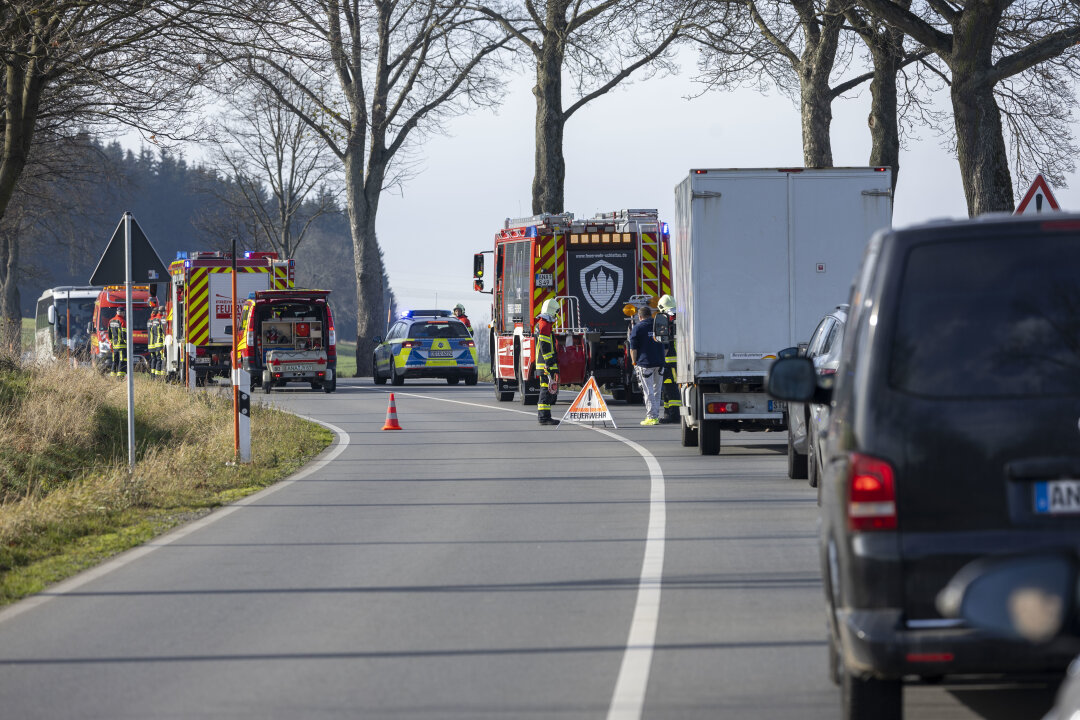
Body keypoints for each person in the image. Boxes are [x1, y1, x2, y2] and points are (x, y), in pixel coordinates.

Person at [629, 305, 665, 425]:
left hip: (645, 363)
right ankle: (656, 415)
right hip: (659, 363)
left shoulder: (638, 328)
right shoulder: (658, 325)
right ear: (650, 315)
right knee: (657, 389)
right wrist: (661, 357)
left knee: (647, 390)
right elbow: (666, 346)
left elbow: (633, 348)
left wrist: (634, 362)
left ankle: (651, 417)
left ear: (639, 316)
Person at [656, 294, 681, 424]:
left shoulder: (666, 319)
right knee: (667, 388)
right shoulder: (682, 317)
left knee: (671, 388)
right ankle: (668, 413)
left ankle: (674, 414)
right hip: (680, 359)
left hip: (670, 361)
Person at [535, 298, 560, 426]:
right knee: (546, 389)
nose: (557, 315)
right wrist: (550, 363)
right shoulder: (544, 325)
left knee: (547, 389)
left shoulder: (543, 323)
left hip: (545, 362)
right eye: (556, 312)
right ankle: (544, 417)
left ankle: (546, 416)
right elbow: (545, 347)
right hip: (545, 363)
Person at [108, 307, 126, 377]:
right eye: (124, 312)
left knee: (115, 361)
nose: (124, 314)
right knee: (122, 360)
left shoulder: (111, 321)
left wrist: (111, 343)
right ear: (121, 313)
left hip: (114, 346)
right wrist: (127, 343)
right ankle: (120, 377)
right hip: (122, 346)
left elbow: (109, 334)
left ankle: (113, 376)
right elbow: (124, 334)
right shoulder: (122, 321)